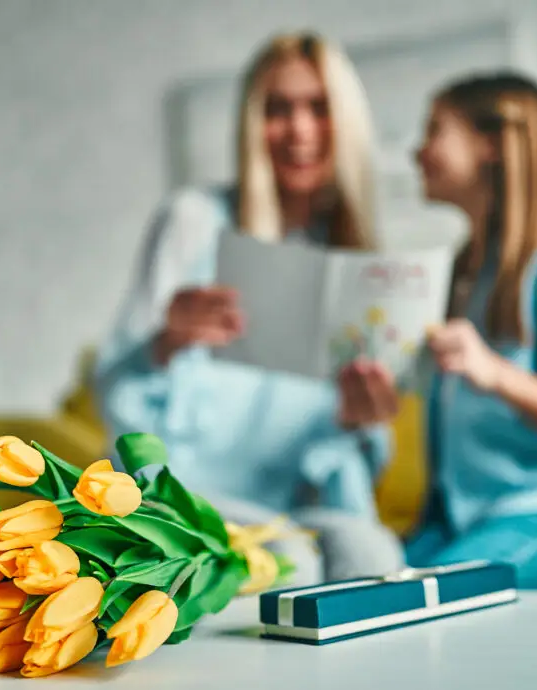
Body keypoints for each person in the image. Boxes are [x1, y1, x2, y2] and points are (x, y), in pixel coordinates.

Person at [93, 32, 404, 583]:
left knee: (376, 561)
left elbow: (351, 459)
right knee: (291, 566)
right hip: (188, 493)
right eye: (277, 109)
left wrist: (362, 421)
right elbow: (115, 391)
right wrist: (167, 342)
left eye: (318, 108)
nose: (300, 130)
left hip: (296, 501)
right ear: (252, 123)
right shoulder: (193, 219)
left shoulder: (355, 262)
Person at [402, 72, 537, 589]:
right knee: (353, 589)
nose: (417, 153)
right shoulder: (458, 275)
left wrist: (494, 372)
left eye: (435, 130)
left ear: (491, 147)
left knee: (424, 603)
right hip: (462, 514)